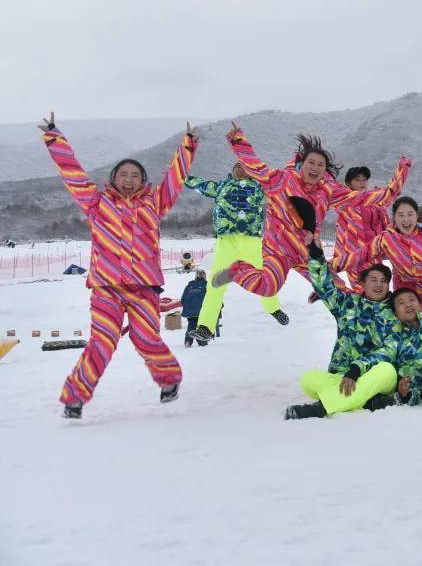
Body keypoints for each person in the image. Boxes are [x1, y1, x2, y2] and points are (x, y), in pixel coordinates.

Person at [39, 111, 198, 418]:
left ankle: (169, 379)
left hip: (144, 287)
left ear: (143, 181)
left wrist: (188, 146)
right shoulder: (96, 203)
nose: (128, 179)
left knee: (146, 338)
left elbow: (174, 180)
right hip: (106, 287)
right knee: (102, 341)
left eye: (135, 175)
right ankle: (75, 398)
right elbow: (72, 173)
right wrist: (54, 138)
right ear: (113, 179)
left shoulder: (155, 202)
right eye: (123, 175)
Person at [211, 124, 410, 309]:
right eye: (311, 163)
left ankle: (364, 326)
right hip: (278, 250)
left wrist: (402, 171)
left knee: (338, 289)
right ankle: (237, 270)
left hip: (308, 252)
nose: (315, 168)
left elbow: (371, 197)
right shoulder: (281, 180)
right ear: (302, 165)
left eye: (320, 165)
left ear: (325, 170)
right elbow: (254, 165)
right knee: (268, 287)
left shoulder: (328, 192)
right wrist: (238, 139)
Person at [284, 238, 410, 420]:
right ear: (363, 284)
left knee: (387, 370)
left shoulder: (393, 313)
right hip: (342, 374)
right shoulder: (348, 304)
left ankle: (321, 409)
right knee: (308, 380)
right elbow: (324, 287)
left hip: (374, 376)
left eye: (383, 281)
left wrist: (356, 369)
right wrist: (316, 256)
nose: (378, 285)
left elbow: (388, 351)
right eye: (373, 280)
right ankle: (368, 401)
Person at [185, 162, 288, 338]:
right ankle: (206, 327)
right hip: (227, 241)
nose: (241, 169)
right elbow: (201, 184)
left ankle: (273, 308)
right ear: (232, 171)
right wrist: (180, 176)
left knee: (264, 277)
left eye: (245, 167)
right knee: (216, 283)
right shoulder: (222, 187)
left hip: (251, 240)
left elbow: (282, 188)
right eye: (237, 167)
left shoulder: (258, 187)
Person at [331, 165, 404, 289]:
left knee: (379, 288)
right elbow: (342, 233)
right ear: (349, 183)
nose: (362, 182)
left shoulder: (376, 202)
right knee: (361, 291)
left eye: (364, 180)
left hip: (374, 253)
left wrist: (403, 167)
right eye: (357, 180)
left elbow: (393, 191)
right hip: (354, 256)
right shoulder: (345, 203)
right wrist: (338, 259)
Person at [180, 270, 209, 348]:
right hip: (201, 310)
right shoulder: (207, 285)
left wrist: (187, 307)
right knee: (201, 326)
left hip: (189, 309)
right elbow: (211, 298)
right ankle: (202, 342)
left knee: (192, 324)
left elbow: (183, 299)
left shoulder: (189, 285)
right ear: (204, 276)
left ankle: (188, 341)